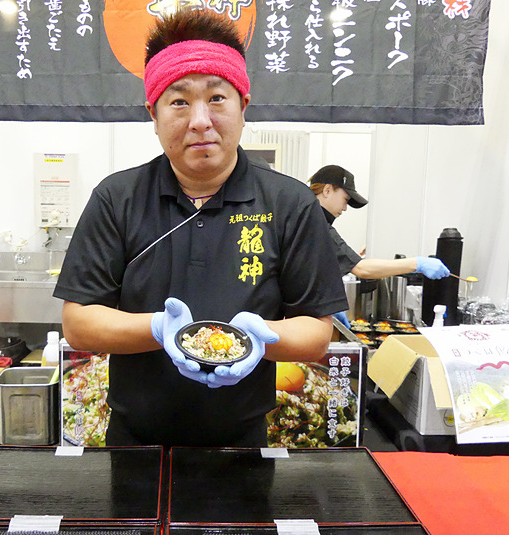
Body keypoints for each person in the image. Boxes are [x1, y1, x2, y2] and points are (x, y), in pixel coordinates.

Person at [53, 8, 348, 448]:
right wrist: (158, 329)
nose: (199, 121)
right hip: (133, 441)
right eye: (178, 101)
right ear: (153, 114)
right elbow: (78, 323)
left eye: (216, 98)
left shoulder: (290, 203)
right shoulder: (117, 198)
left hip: (244, 442)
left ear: (243, 106)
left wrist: (258, 340)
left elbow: (316, 330)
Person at [308, 164, 450, 324]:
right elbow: (361, 269)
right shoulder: (315, 223)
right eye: (345, 200)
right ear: (327, 190)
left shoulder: (306, 216)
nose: (345, 208)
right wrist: (417, 263)